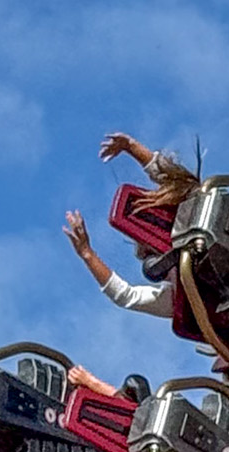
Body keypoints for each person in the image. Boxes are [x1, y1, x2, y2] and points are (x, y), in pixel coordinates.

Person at [66, 131, 200, 318]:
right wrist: (87, 254)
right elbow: (126, 296)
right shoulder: (182, 294)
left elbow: (175, 180)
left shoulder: (198, 209)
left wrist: (131, 146)